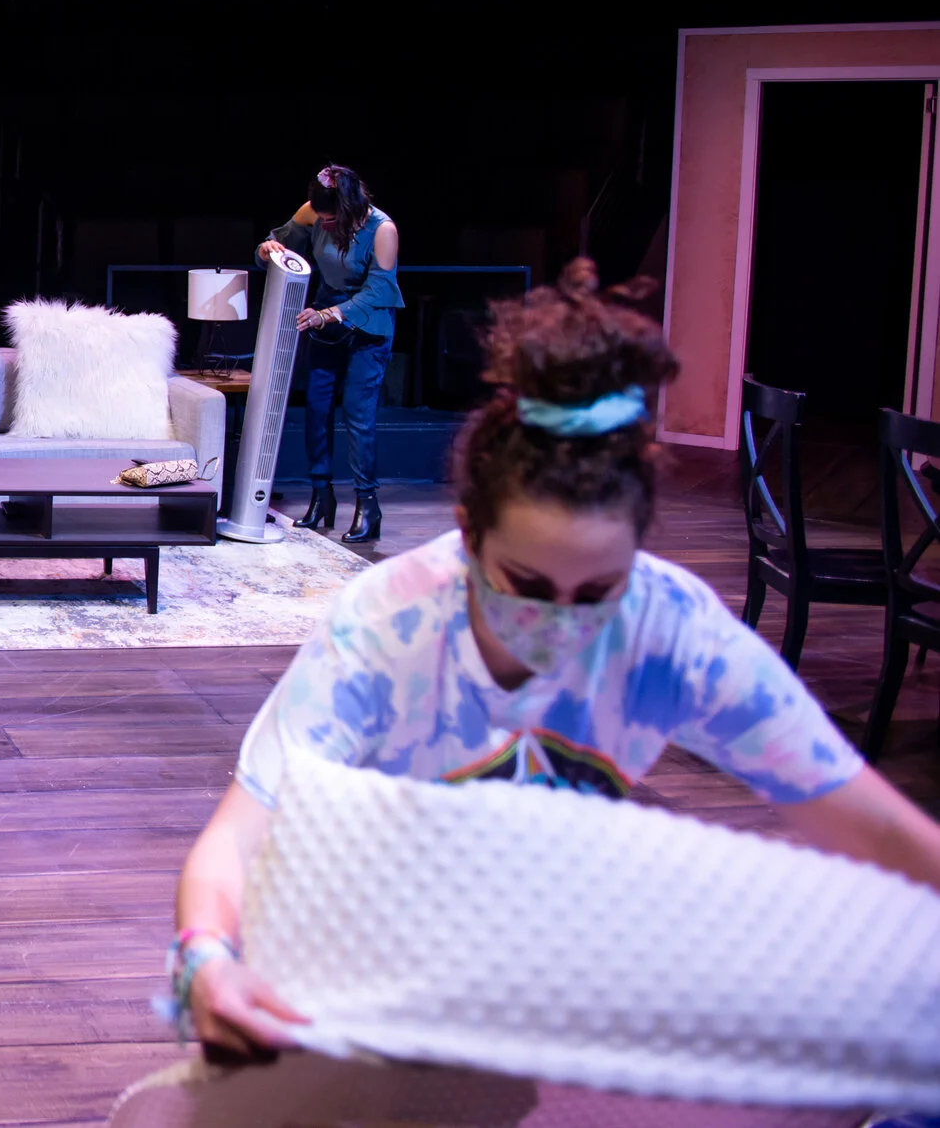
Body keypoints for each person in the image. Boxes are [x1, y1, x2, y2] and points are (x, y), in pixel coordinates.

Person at [169, 269, 940, 1058]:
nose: (562, 625)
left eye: (597, 593)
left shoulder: (669, 626)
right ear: (469, 534)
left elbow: (872, 822)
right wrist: (207, 960)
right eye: (528, 586)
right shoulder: (389, 624)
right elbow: (235, 842)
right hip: (357, 964)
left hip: (543, 968)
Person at [260, 164, 401, 544]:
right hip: (325, 323)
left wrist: (331, 314)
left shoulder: (382, 229)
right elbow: (276, 249)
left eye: (331, 218)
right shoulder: (313, 211)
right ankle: (321, 496)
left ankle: (368, 505)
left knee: (357, 416)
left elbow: (379, 291)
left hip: (367, 327)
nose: (324, 223)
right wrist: (268, 249)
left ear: (349, 206)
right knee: (317, 409)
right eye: (320, 218)